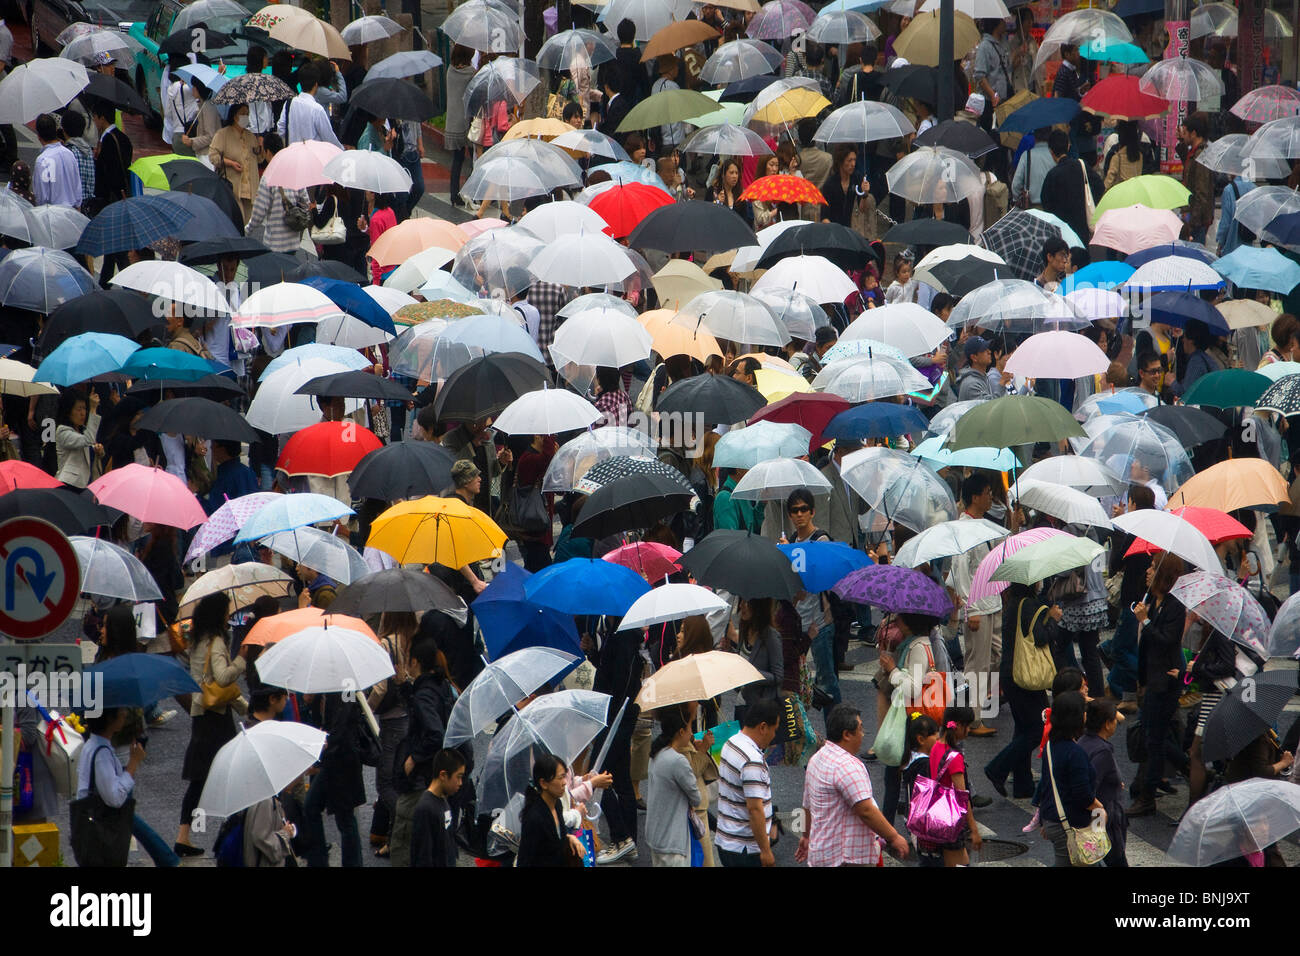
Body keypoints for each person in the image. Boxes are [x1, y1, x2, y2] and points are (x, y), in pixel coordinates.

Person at [177, 592, 247, 856]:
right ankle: (235, 833)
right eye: (227, 612)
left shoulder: (198, 641)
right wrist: (241, 659)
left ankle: (184, 835)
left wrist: (244, 708)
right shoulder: (216, 641)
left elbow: (215, 686)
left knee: (200, 778)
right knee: (231, 773)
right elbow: (223, 678)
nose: (229, 616)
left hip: (201, 713)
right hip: (216, 720)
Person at [797, 704, 909, 867]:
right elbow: (866, 810)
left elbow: (807, 805)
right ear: (847, 734)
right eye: (861, 729)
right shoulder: (848, 766)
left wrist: (806, 836)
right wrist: (894, 837)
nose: (863, 735)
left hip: (822, 853)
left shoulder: (816, 759)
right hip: (847, 858)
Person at [76, 707, 180, 867]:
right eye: (120, 712)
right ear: (110, 719)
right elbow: (115, 798)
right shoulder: (101, 755)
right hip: (101, 831)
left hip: (93, 828)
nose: (125, 713)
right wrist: (133, 763)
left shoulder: (94, 746)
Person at [985, 582, 1061, 799]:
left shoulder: (1013, 604)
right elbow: (1040, 637)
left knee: (1023, 727)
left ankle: (1023, 784)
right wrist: (1053, 620)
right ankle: (997, 767)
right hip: (1025, 675)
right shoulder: (1031, 606)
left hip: (1011, 674)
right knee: (1039, 728)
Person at [1128, 555, 1189, 817]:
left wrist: (1146, 621)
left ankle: (1147, 797)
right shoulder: (1153, 600)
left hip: (1166, 681)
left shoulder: (1175, 606)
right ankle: (1191, 770)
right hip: (1152, 678)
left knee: (1154, 740)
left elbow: (1167, 641)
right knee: (1157, 738)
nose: (1148, 571)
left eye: (1153, 567)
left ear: (1164, 574)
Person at [390, 635, 457, 867]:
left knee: (406, 843)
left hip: (421, 777)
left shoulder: (425, 694)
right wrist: (406, 688)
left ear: (416, 662)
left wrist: (413, 758)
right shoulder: (441, 685)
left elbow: (434, 733)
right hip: (438, 773)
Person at [783, 488, 837, 714]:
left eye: (804, 509)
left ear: (812, 511)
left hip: (819, 622)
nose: (799, 515)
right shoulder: (792, 540)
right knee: (798, 682)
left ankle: (836, 732)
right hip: (799, 622)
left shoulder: (820, 539)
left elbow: (828, 577)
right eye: (794, 511)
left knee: (827, 682)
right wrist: (786, 553)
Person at [1038, 690, 1103, 866]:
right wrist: (1100, 808)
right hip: (1070, 825)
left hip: (1054, 820)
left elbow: (1047, 786)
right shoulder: (1075, 753)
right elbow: (1082, 795)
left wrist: (1045, 818)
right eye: (1083, 711)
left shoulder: (1051, 746)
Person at [715, 698, 780, 867]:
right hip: (745, 848)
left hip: (726, 840)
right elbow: (755, 809)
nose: (774, 736)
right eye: (774, 730)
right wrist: (766, 851)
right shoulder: (752, 760)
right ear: (763, 727)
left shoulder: (731, 742)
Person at [645, 707, 703, 866]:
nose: (692, 733)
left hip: (656, 836)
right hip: (673, 841)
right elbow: (696, 798)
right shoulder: (678, 761)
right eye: (690, 728)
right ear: (681, 732)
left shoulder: (656, 753)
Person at [926, 706, 982, 866]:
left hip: (936, 814)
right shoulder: (954, 757)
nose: (969, 730)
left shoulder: (936, 746)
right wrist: (974, 829)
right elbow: (962, 797)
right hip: (950, 820)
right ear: (957, 725)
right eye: (968, 726)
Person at [1079, 697, 1128, 866]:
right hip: (1103, 819)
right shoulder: (1102, 751)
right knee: (1115, 859)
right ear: (1107, 724)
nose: (1116, 723)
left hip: (1094, 818)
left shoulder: (1083, 741)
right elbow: (1090, 786)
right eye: (1114, 719)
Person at [247, 133, 311, 253]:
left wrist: (248, 229)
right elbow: (306, 203)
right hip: (294, 242)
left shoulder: (268, 177)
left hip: (274, 244)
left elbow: (259, 212)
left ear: (268, 152)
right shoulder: (294, 172)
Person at [517, 753, 586, 866]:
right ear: (543, 783)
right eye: (560, 778)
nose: (564, 782)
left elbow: (555, 837)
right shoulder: (534, 818)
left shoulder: (557, 803)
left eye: (565, 776)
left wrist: (568, 838)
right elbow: (526, 859)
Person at [411, 749, 466, 868]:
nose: (460, 783)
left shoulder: (443, 800)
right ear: (443, 775)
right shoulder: (425, 809)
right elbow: (423, 857)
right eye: (458, 777)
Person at [209, 103, 263, 221]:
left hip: (249, 187)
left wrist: (261, 146)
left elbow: (259, 159)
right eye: (243, 113)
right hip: (233, 186)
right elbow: (213, 157)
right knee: (237, 220)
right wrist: (230, 163)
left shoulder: (251, 136)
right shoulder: (222, 134)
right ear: (234, 116)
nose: (246, 116)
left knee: (248, 223)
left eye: (247, 114)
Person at [1040, 128, 1091, 247]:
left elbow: (1046, 202)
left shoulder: (1052, 175)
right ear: (1068, 146)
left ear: (1051, 151)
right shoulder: (1082, 166)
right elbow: (1098, 185)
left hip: (1061, 231)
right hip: (1081, 226)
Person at [278, 60, 342, 148]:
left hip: (292, 153)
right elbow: (329, 138)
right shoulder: (317, 109)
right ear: (316, 84)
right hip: (312, 156)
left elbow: (281, 128)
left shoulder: (289, 103)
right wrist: (342, 150)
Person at [1178, 112, 1213, 245]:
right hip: (1191, 215)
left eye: (1185, 132)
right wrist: (1181, 142)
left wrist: (1193, 223)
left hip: (1196, 219)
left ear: (1193, 133)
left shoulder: (1201, 156)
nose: (1184, 135)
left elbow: (1201, 192)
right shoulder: (1194, 153)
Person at [32, 113, 81, 208]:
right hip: (72, 213)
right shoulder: (69, 154)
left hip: (52, 215)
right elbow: (77, 187)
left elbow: (41, 197)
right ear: (56, 131)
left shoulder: (43, 160)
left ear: (38, 135)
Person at [54, 391, 102, 488]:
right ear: (68, 411)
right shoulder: (62, 431)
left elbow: (89, 443)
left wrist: (99, 451)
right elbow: (88, 440)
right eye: (79, 409)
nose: (83, 413)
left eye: (84, 408)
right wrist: (93, 408)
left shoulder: (83, 430)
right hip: (70, 485)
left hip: (86, 484)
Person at [1102, 120, 1155, 191]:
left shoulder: (1117, 156)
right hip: (1137, 190)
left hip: (1121, 192)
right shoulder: (1140, 155)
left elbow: (1109, 179)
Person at [59, 110, 95, 211]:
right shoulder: (89, 151)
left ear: (64, 130)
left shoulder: (68, 152)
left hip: (73, 208)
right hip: (88, 207)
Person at [1010, 126, 1053, 209]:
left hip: (1031, 207)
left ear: (1035, 136)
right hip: (1052, 208)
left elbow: (1016, 185)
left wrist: (1017, 199)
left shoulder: (1027, 155)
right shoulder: (1055, 155)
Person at [178, 78, 221, 158]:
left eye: (194, 87)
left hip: (208, 155)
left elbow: (210, 136)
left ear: (200, 89)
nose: (192, 89)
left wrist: (192, 141)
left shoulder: (208, 107)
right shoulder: (202, 105)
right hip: (203, 153)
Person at [821, 144, 862, 228]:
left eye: (854, 160)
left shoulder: (857, 179)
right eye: (849, 160)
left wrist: (865, 194)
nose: (853, 164)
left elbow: (862, 209)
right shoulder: (830, 184)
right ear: (840, 161)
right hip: (834, 230)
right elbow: (824, 217)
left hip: (851, 229)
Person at [956, 335, 995, 401]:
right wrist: (1002, 383)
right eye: (984, 350)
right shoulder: (971, 384)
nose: (989, 352)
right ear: (974, 357)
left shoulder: (983, 376)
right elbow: (989, 408)